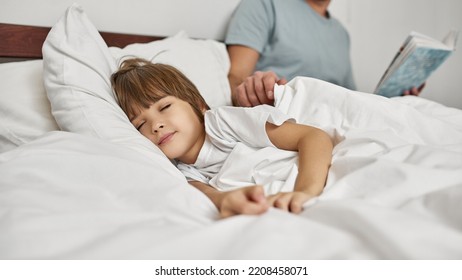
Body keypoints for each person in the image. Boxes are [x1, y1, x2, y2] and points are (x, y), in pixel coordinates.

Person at [111, 58, 333, 219]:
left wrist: (304, 192)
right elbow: (214, 198)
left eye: (165, 106)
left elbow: (313, 136)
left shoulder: (220, 123)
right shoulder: (182, 174)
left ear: (198, 105)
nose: (155, 125)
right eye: (140, 124)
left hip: (311, 175)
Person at [225, 0, 421, 107]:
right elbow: (235, 79)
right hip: (290, 122)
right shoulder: (264, 4)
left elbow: (350, 98)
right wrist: (250, 92)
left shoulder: (341, 33)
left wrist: (394, 98)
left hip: (338, 124)